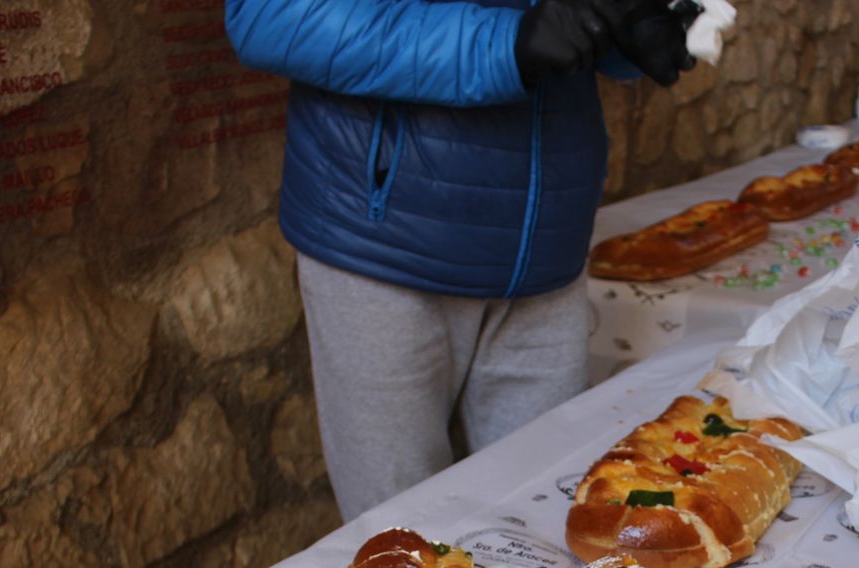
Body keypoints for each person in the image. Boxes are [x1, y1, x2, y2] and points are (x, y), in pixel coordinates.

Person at [224, 0, 697, 520]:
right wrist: (505, 44)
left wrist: (628, 23)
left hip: (547, 240)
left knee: (546, 526)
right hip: (387, 244)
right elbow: (270, 16)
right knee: (400, 543)